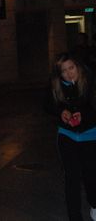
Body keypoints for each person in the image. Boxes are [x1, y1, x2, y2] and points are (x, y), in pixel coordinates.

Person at [45, 53, 96, 221]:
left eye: (71, 68)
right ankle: (75, 217)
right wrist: (61, 112)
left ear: (78, 66)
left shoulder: (90, 82)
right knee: (72, 178)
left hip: (90, 135)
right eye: (63, 71)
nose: (68, 73)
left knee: (91, 175)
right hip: (67, 136)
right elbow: (48, 105)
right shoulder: (56, 85)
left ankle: (94, 205)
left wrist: (84, 116)